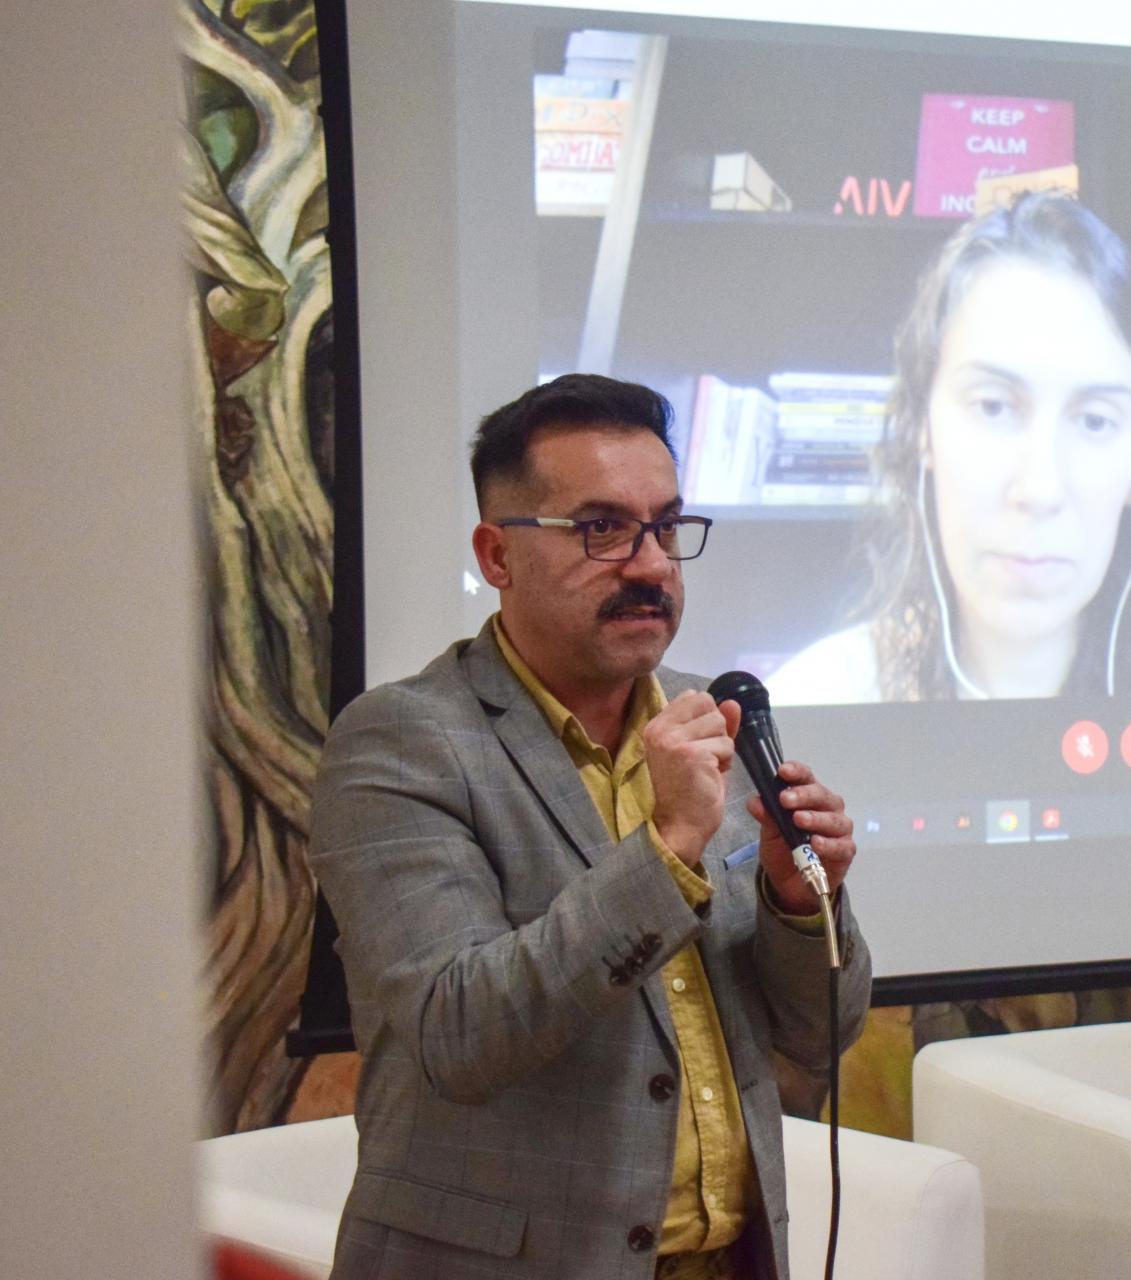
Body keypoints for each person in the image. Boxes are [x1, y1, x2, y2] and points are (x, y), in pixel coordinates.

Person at [309, 374, 870, 1280]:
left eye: (665, 527)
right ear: (497, 554)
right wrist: (667, 849)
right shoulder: (402, 742)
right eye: (602, 529)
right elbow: (458, 1034)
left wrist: (799, 903)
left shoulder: (712, 719)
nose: (650, 566)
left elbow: (819, 1033)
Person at [768, 193, 1131, 703]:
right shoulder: (811, 703)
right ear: (924, 428)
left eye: (1094, 420)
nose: (1039, 489)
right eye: (993, 407)